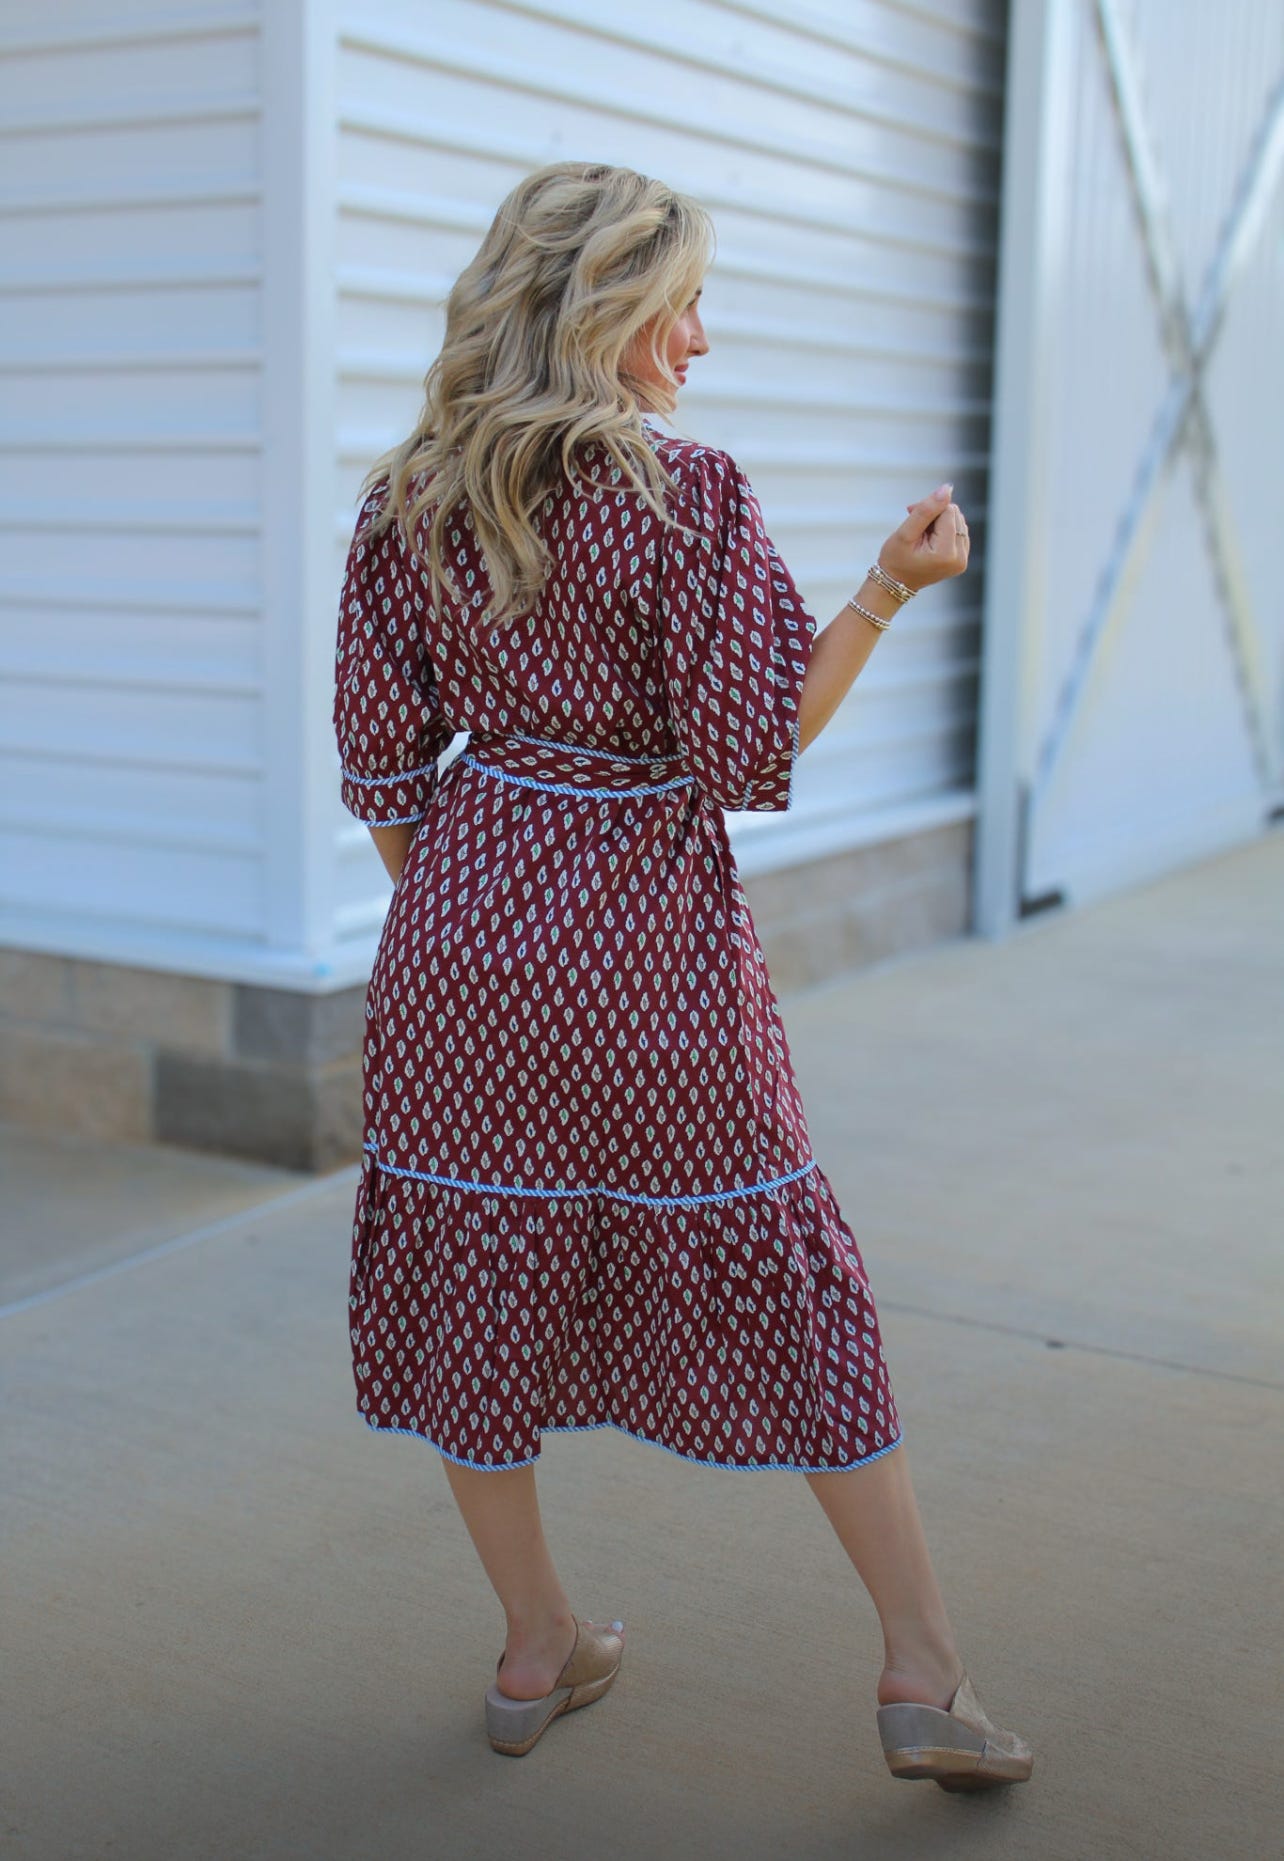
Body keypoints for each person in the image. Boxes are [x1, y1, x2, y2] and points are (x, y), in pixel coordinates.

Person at [332, 160, 1032, 1789]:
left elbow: (380, 770)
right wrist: (888, 587)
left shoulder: (408, 496)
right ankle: (921, 1668)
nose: (701, 340)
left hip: (456, 954)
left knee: (478, 1276)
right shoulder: (684, 493)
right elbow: (746, 748)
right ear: (604, 310)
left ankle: (533, 1647)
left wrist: (474, 926)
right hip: (654, 959)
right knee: (786, 1271)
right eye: (682, 306)